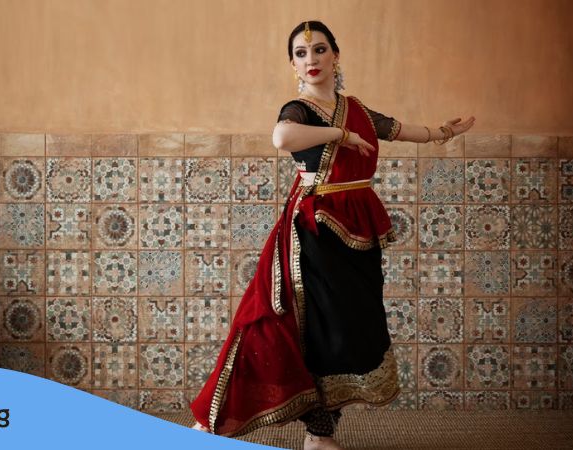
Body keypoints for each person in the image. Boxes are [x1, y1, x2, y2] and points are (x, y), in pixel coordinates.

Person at [190, 20, 475, 450]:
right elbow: (281, 136)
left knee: (347, 330)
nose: (312, 60)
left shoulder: (355, 107)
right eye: (301, 55)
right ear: (293, 65)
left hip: (357, 230)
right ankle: (215, 424)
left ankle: (319, 436)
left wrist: (443, 133)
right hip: (313, 233)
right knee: (305, 327)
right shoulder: (300, 109)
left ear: (335, 55)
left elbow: (399, 128)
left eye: (320, 50)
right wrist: (341, 136)